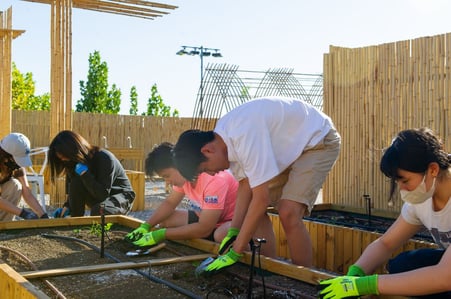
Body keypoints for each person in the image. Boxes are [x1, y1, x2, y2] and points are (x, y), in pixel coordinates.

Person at [172, 96, 341, 274]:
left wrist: (236, 251)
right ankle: (268, 269)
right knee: (255, 208)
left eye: (205, 168)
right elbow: (245, 188)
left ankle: (303, 279)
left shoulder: (243, 135)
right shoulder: (224, 141)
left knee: (288, 212)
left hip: (318, 140)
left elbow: (261, 199)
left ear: (207, 151)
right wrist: (234, 232)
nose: (211, 174)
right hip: (290, 147)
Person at [318, 128, 451, 298]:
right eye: (397, 181)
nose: (402, 189)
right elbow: (386, 244)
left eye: (405, 180)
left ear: (433, 170)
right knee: (402, 264)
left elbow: (445, 277)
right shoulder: (421, 201)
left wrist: (366, 285)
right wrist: (356, 273)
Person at [126, 142, 275, 254]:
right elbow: (170, 203)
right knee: (166, 220)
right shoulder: (184, 177)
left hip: (234, 223)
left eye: (167, 176)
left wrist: (160, 234)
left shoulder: (213, 179)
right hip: (211, 220)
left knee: (221, 235)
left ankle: (247, 258)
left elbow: (204, 228)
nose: (167, 181)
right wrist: (147, 225)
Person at [48, 130, 135, 217]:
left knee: (99, 210)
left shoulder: (105, 158)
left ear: (73, 151)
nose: (63, 160)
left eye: (64, 157)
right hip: (97, 194)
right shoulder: (71, 163)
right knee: (76, 182)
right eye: (61, 158)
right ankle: (75, 222)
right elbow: (74, 189)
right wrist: (67, 207)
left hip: (121, 197)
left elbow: (103, 195)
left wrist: (85, 174)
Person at [0, 133, 49, 221]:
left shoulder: (14, 165)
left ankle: (4, 225)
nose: (19, 164)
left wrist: (43, 215)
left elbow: (26, 191)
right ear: (6, 155)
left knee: (15, 185)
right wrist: (23, 213)